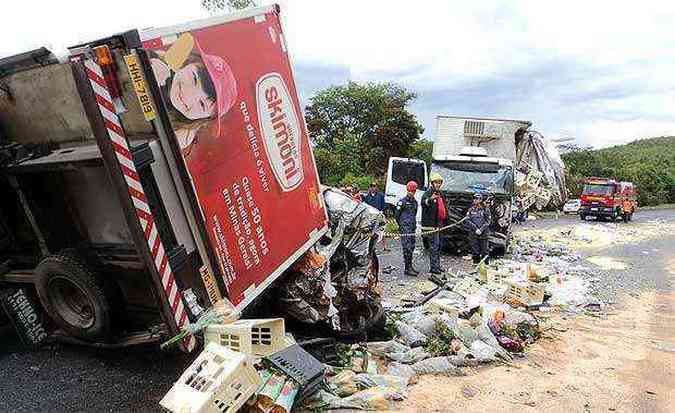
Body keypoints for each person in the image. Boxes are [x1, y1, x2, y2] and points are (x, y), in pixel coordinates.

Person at [148, 33, 238, 157]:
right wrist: (147, 67)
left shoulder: (180, 136)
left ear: (204, 119)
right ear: (188, 62)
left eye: (202, 105)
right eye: (194, 78)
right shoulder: (158, 62)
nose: (188, 97)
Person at [421, 172, 446, 274]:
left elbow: (444, 208)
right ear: (432, 183)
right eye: (436, 183)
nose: (438, 185)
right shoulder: (428, 193)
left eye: (439, 183)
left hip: (439, 224)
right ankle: (434, 268)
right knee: (434, 247)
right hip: (431, 226)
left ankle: (437, 266)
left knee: (439, 246)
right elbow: (423, 202)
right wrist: (430, 200)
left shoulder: (441, 194)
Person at [395, 181, 419, 276]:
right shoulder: (402, 202)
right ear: (407, 190)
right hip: (405, 228)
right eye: (410, 191)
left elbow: (415, 213)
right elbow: (396, 215)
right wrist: (401, 225)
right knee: (407, 248)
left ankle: (410, 266)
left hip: (412, 227)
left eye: (413, 191)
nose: (412, 193)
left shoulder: (415, 202)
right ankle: (407, 268)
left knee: (412, 247)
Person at [464, 193, 492, 264]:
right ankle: (476, 265)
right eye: (474, 198)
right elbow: (467, 220)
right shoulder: (471, 209)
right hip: (473, 234)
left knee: (485, 251)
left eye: (477, 199)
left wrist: (481, 229)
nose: (475, 200)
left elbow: (488, 221)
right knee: (475, 251)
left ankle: (485, 266)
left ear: (481, 200)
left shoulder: (486, 209)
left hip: (484, 234)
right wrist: (475, 228)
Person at [363, 182, 389, 251]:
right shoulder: (367, 196)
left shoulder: (381, 195)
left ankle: (385, 246)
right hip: (371, 216)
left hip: (380, 215)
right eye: (371, 186)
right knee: (371, 232)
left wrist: (382, 211)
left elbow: (384, 204)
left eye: (374, 186)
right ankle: (371, 246)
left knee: (382, 231)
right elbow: (365, 206)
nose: (373, 188)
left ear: (377, 187)